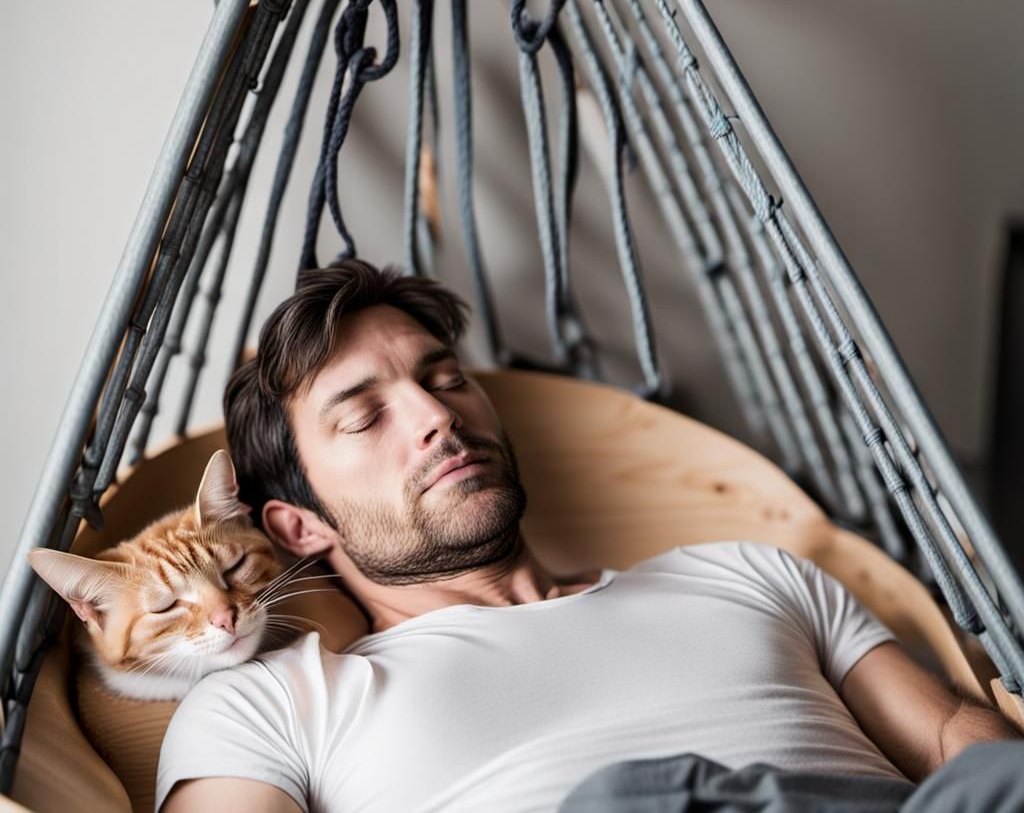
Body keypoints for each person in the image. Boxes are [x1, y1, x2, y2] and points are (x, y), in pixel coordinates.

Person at [158, 260, 1022, 812]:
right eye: (366, 416)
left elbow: (956, 743)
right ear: (298, 524)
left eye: (445, 377)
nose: (435, 417)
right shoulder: (271, 706)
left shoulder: (749, 574)